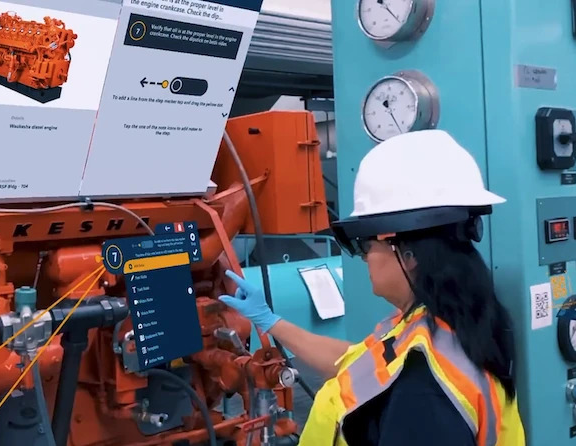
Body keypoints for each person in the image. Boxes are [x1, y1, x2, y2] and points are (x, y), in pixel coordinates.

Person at [220, 130, 525, 446]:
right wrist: (270, 321)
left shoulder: (423, 390)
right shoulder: (439, 329)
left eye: (365, 244)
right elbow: (353, 362)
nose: (364, 257)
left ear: (408, 255)